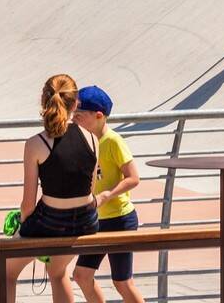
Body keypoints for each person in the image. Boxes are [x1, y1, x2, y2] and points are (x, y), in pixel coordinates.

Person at [6, 74, 100, 303]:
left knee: (5, 271)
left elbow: (28, 204)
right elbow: (90, 191)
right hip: (85, 223)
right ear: (76, 103)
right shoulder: (92, 138)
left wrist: (23, 224)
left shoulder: (36, 144)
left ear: (43, 102)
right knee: (58, 273)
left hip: (50, 222)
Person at [71, 86, 147, 303]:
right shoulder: (82, 140)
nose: (74, 120)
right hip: (95, 220)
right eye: (73, 114)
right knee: (81, 275)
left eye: (79, 115)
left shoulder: (113, 141)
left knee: (122, 282)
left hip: (120, 219)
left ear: (98, 116)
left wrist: (107, 195)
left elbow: (133, 177)